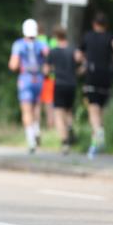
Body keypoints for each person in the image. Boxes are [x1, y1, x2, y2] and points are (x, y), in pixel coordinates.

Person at [75, 12, 113, 158]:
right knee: (101, 110)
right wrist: (112, 61)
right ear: (106, 24)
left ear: (94, 23)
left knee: (93, 109)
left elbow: (78, 55)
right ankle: (95, 145)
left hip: (92, 75)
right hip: (107, 76)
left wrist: (85, 61)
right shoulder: (110, 37)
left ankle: (98, 133)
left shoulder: (88, 37)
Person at [9, 18, 48, 153]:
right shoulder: (41, 44)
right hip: (39, 79)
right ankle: (37, 128)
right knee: (36, 107)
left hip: (25, 79)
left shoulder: (18, 44)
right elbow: (48, 57)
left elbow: (13, 65)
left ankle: (31, 139)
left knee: (26, 110)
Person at [43, 26, 78, 154]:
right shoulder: (72, 50)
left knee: (58, 113)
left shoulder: (53, 51)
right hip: (72, 84)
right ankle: (69, 126)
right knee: (68, 111)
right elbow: (80, 61)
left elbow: (46, 70)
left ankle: (64, 142)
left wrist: (49, 73)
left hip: (59, 83)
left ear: (56, 36)